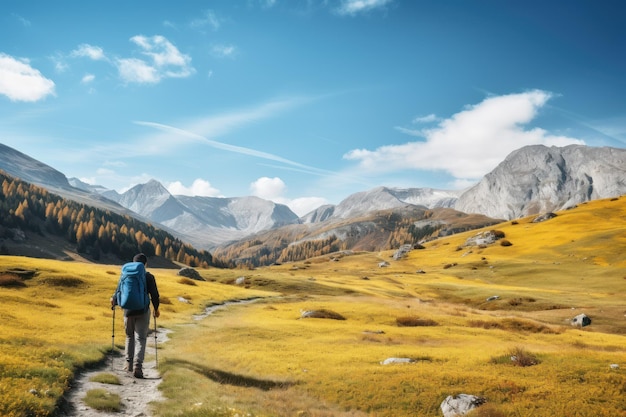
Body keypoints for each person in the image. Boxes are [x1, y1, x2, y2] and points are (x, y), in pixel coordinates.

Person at [111, 253, 160, 378]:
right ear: (145, 264)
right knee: (141, 338)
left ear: (133, 263)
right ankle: (138, 366)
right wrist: (156, 308)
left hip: (127, 311)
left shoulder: (125, 274)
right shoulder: (148, 276)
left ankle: (128, 364)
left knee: (129, 336)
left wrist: (114, 301)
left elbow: (118, 291)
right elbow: (155, 295)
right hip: (142, 311)